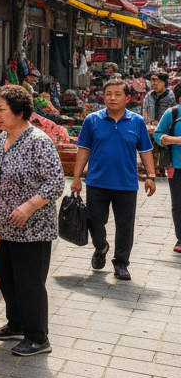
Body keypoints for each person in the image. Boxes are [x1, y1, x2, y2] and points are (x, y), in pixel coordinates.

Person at [0, 85, 65, 356]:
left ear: (19, 112)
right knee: (7, 279)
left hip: (32, 228)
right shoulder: (1, 139)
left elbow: (56, 183)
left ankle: (38, 337)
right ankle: (16, 324)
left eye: (1, 110)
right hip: (1, 226)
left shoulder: (38, 141)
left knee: (30, 283)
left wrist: (29, 206)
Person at [72, 77, 155, 281]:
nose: (112, 98)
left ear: (127, 98)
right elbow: (83, 150)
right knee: (94, 221)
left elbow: (145, 150)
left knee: (125, 226)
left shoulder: (136, 122)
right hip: (96, 182)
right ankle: (101, 248)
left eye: (117, 94)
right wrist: (76, 179)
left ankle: (121, 264)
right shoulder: (92, 120)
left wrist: (150, 176)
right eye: (108, 94)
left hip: (126, 184)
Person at [153, 102, 181, 254]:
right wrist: (174, 140)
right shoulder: (173, 113)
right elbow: (158, 134)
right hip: (176, 166)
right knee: (178, 204)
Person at [144, 70, 175, 174]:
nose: (154, 84)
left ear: (163, 82)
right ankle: (152, 170)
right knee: (151, 150)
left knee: (165, 151)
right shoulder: (149, 96)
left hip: (166, 129)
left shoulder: (170, 96)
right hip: (151, 128)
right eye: (152, 81)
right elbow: (145, 112)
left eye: (157, 81)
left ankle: (162, 169)